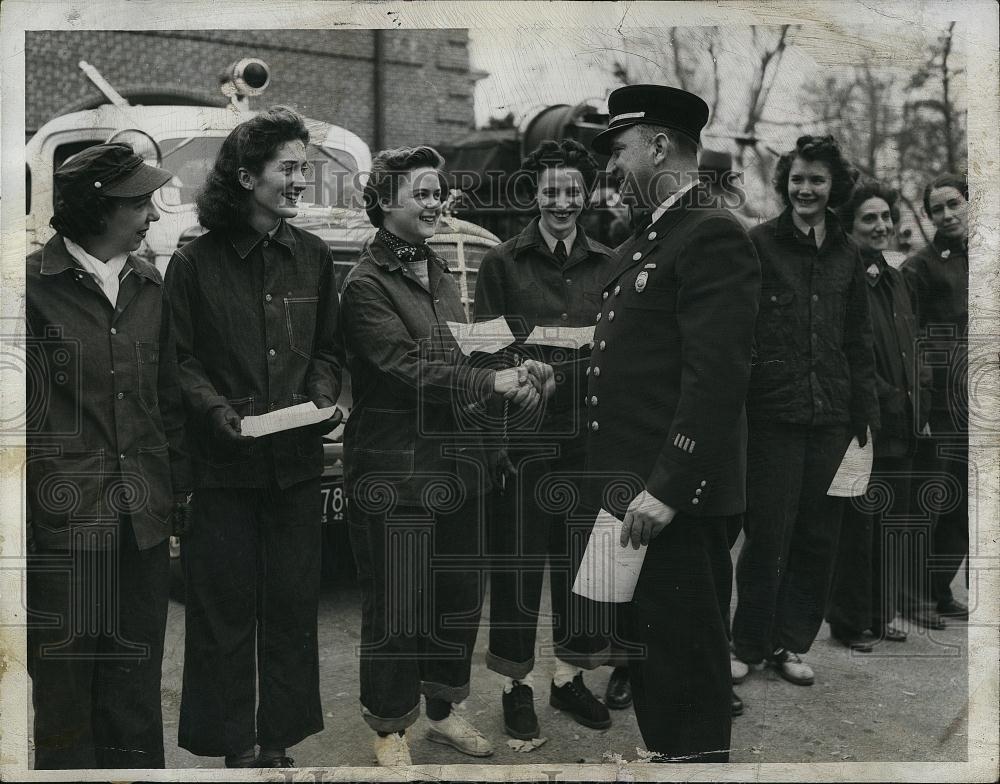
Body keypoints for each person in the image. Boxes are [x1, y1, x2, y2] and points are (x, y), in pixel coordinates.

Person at [339, 145, 555, 766]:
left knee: (456, 598)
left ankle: (443, 712)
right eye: (423, 194)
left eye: (439, 193)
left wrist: (514, 367)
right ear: (385, 202)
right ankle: (389, 729)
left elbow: (462, 352)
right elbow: (406, 368)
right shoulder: (365, 284)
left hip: (460, 468)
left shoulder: (437, 270)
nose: (437, 204)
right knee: (397, 601)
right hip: (396, 471)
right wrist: (487, 383)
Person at [586, 84, 761, 762]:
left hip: (672, 499)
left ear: (659, 145)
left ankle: (692, 762)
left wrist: (668, 487)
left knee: (686, 661)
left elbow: (716, 379)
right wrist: (557, 376)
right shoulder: (656, 235)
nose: (609, 170)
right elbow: (639, 359)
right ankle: (671, 757)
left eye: (618, 150)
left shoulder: (711, 232)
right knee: (655, 652)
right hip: (639, 491)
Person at [164, 106, 343, 768]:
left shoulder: (314, 257)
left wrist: (323, 396)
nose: (301, 181)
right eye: (288, 169)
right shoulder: (193, 263)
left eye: (305, 168)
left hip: (294, 467)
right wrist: (218, 413)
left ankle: (279, 738)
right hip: (224, 470)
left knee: (293, 608)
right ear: (246, 177)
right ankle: (233, 741)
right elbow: (179, 362)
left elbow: (328, 349)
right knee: (225, 613)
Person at [25, 143, 191, 768]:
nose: (152, 214)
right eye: (139, 201)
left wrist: (176, 499)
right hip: (63, 528)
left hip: (140, 524)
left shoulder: (149, 285)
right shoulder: (29, 292)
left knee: (134, 685)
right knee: (65, 692)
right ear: (99, 210)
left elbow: (168, 402)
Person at [473, 139, 617, 740]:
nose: (562, 201)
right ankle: (516, 685)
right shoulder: (502, 263)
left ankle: (567, 678)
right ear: (533, 193)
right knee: (518, 563)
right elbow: (484, 353)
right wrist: (501, 435)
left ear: (587, 195)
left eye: (572, 190)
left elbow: (616, 353)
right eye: (550, 190)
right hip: (523, 439)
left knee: (583, 563)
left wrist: (562, 371)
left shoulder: (610, 263)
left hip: (586, 439)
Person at [731, 135, 879, 687]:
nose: (806, 189)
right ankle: (745, 643)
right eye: (797, 179)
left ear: (833, 187)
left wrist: (863, 421)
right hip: (772, 417)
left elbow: (859, 342)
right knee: (768, 534)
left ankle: (789, 644)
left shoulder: (848, 252)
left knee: (818, 537)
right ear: (784, 185)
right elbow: (740, 331)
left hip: (834, 420)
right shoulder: (760, 244)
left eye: (817, 179)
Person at [826, 180, 932, 650]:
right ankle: (850, 622)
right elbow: (852, 357)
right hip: (866, 422)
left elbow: (910, 347)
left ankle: (881, 613)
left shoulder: (895, 277)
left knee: (893, 523)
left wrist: (918, 400)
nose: (881, 226)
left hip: (904, 422)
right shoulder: (845, 278)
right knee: (859, 528)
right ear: (850, 227)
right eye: (869, 218)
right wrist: (890, 400)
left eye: (886, 217)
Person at [901, 172, 970, 626]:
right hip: (939, 402)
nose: (947, 215)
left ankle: (940, 588)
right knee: (932, 498)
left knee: (966, 500)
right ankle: (914, 596)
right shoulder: (921, 267)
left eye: (953, 204)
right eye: (937, 209)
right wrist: (921, 406)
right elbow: (911, 340)